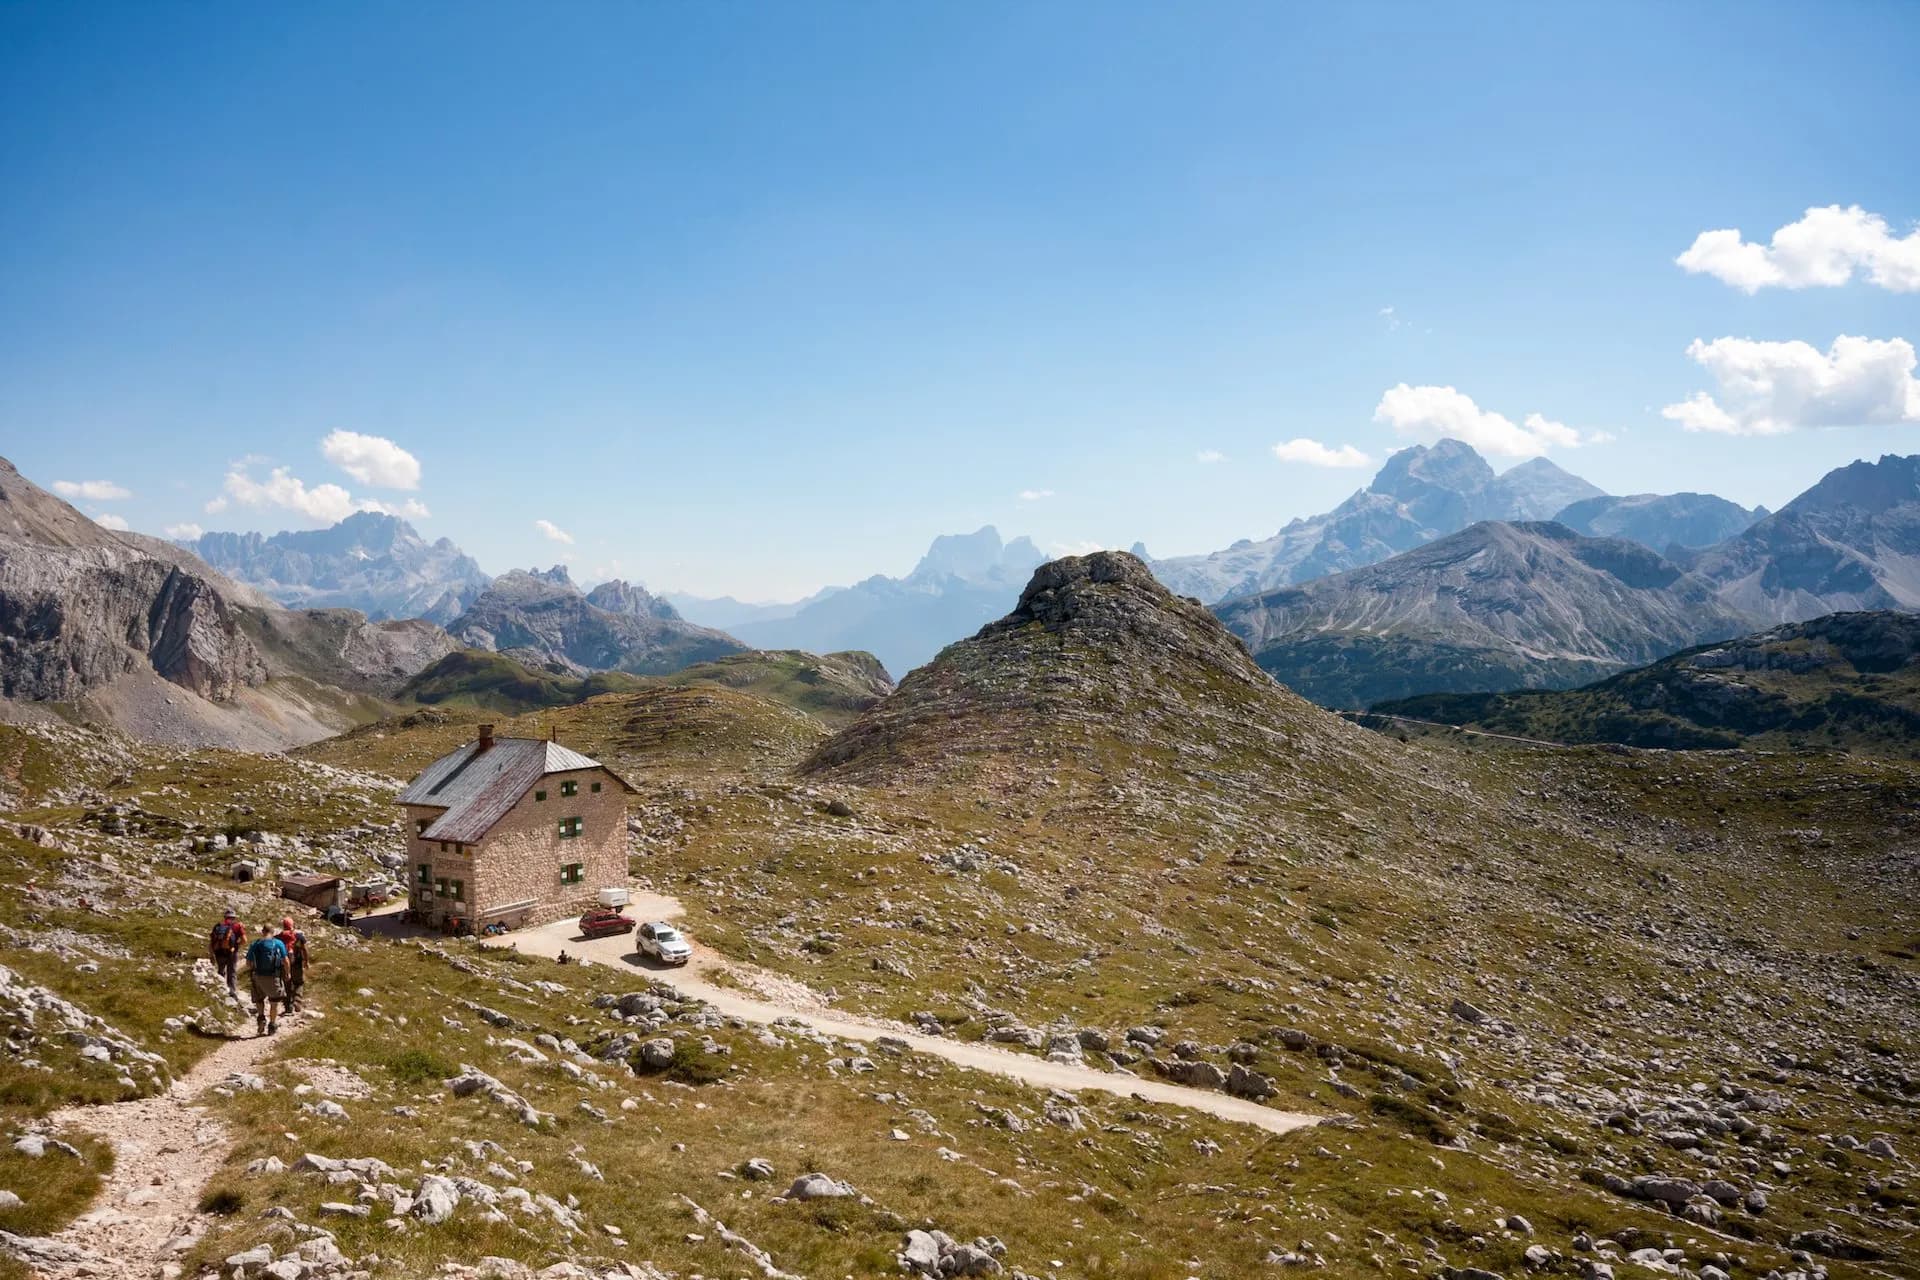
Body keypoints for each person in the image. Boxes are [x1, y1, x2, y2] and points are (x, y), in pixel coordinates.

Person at [244, 923, 289, 1036]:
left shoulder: (255, 944)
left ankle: (261, 1019)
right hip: (274, 976)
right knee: (274, 1002)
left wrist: (255, 970)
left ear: (263, 932)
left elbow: (248, 964)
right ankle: (272, 1025)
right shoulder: (278, 943)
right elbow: (286, 960)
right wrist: (287, 973)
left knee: (259, 999)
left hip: (258, 976)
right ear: (273, 932)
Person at [208, 910, 246, 1000]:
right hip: (232, 953)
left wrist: (211, 954)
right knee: (232, 972)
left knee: (221, 970)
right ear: (234, 918)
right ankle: (232, 992)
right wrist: (236, 945)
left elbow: (212, 941)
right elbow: (244, 940)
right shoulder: (237, 926)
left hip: (219, 952)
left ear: (225, 917)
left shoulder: (218, 926)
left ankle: (219, 990)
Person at [275, 917, 310, 1015]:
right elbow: (305, 949)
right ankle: (297, 1001)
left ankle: (288, 1007)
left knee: (286, 985)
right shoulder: (299, 936)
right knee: (299, 982)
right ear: (292, 925)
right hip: (296, 964)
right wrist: (306, 961)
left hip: (284, 964)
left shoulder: (278, 937)